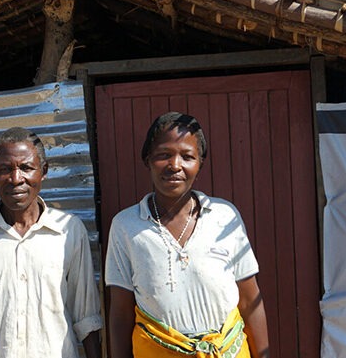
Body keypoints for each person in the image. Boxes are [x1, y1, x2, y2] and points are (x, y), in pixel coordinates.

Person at [105, 112, 269, 358]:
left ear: (200, 163)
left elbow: (249, 301)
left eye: (187, 156)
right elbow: (120, 313)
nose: (175, 165)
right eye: (163, 155)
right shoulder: (126, 226)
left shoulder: (224, 217)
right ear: (147, 160)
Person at [0, 127, 103, 358]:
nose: (16, 179)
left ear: (43, 171)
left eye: (26, 168)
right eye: (5, 169)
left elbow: (85, 315)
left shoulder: (69, 230)